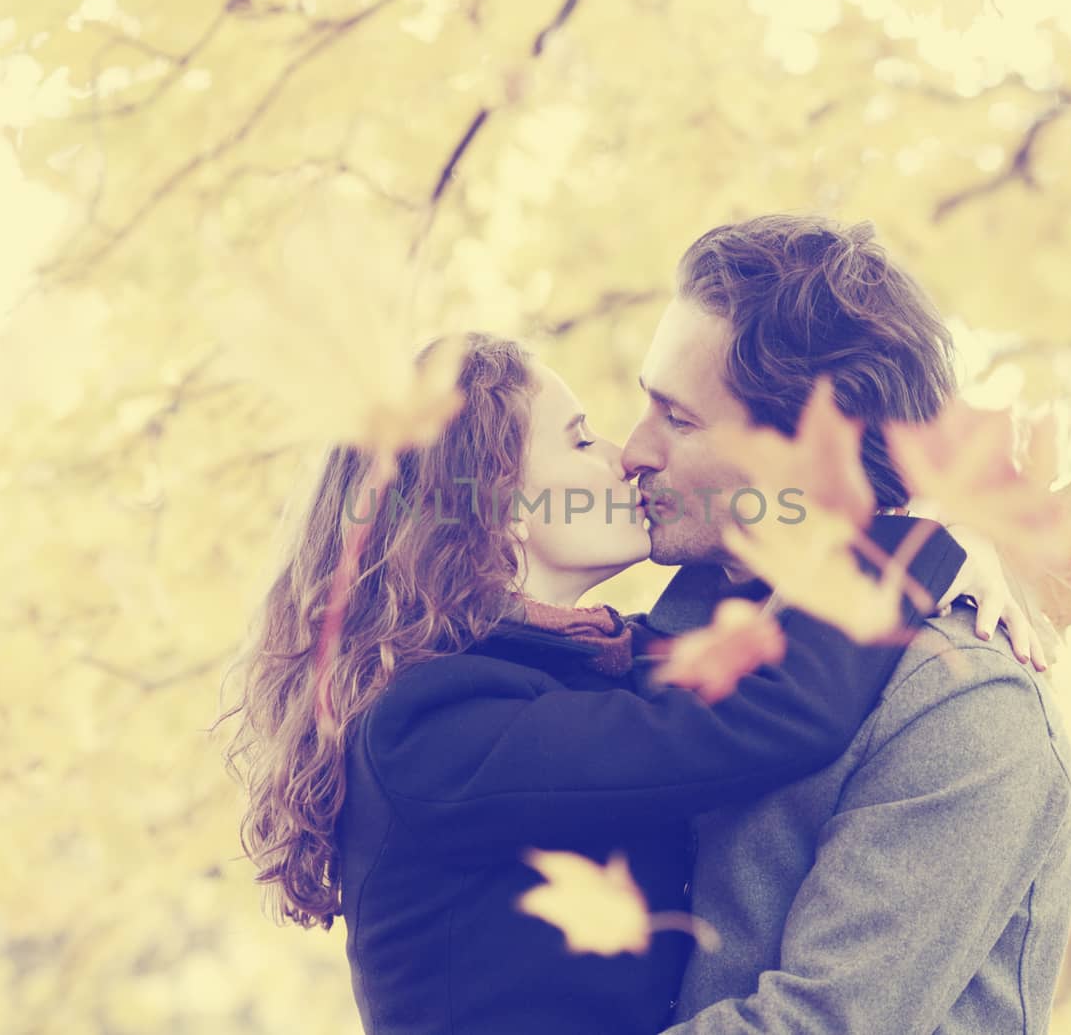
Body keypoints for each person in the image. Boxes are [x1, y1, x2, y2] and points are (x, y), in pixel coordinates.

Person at [217, 331, 1029, 1034]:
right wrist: (910, 547)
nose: (624, 457)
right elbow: (759, 718)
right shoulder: (434, 725)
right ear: (504, 507)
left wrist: (926, 545)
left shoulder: (549, 673)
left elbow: (718, 649)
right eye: (578, 441)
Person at [618, 215, 1071, 1034]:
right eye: (644, 404)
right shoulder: (666, 640)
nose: (632, 450)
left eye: (679, 420)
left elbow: (818, 1024)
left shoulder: (961, 708)